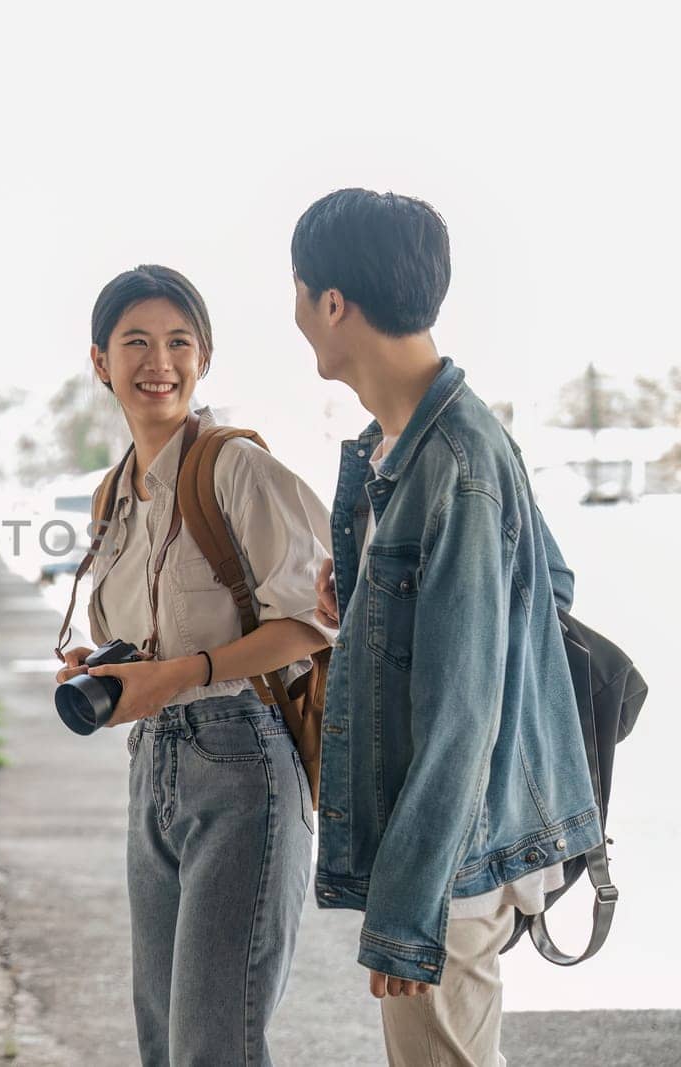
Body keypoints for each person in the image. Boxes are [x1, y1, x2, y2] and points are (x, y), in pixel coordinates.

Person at [293, 189, 600, 1065]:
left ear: (334, 304)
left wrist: (408, 905)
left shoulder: (455, 460)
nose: (296, 314)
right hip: (461, 848)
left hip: (453, 862)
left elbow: (464, 708)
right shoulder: (411, 444)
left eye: (298, 291)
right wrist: (369, 601)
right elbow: (549, 586)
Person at [54, 265, 334, 1065]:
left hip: (244, 762)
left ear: (204, 357)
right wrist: (99, 666)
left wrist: (182, 673)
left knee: (214, 1043)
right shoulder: (114, 495)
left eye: (179, 342)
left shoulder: (237, 470)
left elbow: (314, 624)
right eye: (135, 341)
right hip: (154, 765)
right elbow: (144, 638)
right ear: (101, 361)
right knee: (164, 1039)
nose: (159, 362)